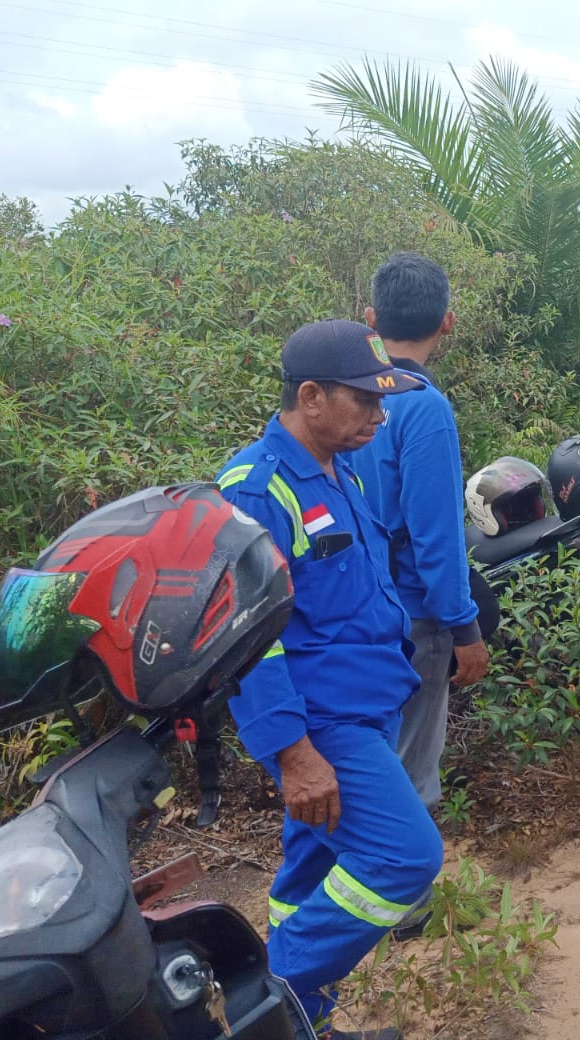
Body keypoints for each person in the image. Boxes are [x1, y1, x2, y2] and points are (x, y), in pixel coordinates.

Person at [217, 319, 443, 1039]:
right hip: (323, 724)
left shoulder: (340, 470)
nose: (380, 415)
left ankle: (299, 1026)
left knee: (310, 873)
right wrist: (293, 752)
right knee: (405, 856)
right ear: (311, 397)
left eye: (383, 400)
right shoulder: (255, 491)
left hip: (369, 704)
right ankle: (265, 1001)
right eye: (364, 400)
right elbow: (245, 641)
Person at [351, 253, 487, 820]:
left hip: (347, 608)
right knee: (409, 778)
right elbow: (436, 537)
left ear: (370, 318)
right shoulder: (423, 408)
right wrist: (464, 628)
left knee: (363, 760)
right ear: (447, 322)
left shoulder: (340, 396)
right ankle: (401, 873)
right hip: (411, 617)